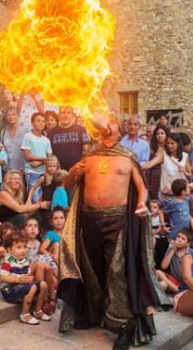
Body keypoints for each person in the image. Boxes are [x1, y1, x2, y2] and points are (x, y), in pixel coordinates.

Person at [59, 115, 165, 349]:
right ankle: (92, 315)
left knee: (117, 271)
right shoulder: (89, 155)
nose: (107, 123)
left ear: (119, 130)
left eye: (112, 121)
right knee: (90, 268)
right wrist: (72, 173)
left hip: (117, 220)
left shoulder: (128, 157)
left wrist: (141, 203)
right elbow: (66, 185)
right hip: (88, 218)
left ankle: (123, 326)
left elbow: (142, 189)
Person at [0, 229, 50, 324]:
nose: (23, 250)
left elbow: (27, 273)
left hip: (21, 287)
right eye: (19, 247)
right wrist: (18, 280)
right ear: (9, 249)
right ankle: (25, 314)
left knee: (43, 284)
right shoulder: (8, 261)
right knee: (32, 287)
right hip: (9, 291)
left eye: (25, 247)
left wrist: (29, 277)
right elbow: (2, 277)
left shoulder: (25, 259)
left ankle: (38, 310)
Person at [0, 170, 47, 253]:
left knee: (35, 216)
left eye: (19, 179)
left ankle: (34, 248)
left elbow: (25, 212)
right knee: (19, 219)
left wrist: (32, 190)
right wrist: (39, 205)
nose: (17, 180)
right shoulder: (2, 194)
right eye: (14, 178)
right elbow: (20, 209)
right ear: (7, 182)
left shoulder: (19, 197)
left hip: (12, 225)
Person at [46, 106, 90, 172]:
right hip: (57, 174)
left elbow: (87, 151)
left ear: (72, 115)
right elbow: (49, 155)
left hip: (77, 173)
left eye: (68, 113)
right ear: (59, 114)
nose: (65, 115)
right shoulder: (51, 133)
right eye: (63, 112)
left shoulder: (81, 130)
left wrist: (80, 165)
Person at [22, 112, 53, 202]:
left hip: (45, 173)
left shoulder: (46, 140)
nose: (41, 123)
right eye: (38, 121)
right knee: (34, 199)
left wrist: (39, 163)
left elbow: (50, 157)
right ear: (32, 123)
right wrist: (44, 160)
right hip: (32, 173)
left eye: (43, 121)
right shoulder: (28, 136)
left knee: (44, 199)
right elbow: (27, 156)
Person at [156, 227, 193, 294]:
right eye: (178, 237)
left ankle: (179, 290)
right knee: (159, 274)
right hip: (172, 280)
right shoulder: (171, 248)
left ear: (188, 243)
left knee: (163, 284)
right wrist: (173, 249)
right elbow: (163, 266)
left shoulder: (191, 253)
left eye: (183, 239)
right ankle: (177, 290)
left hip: (184, 283)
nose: (179, 240)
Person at [143, 124, 169, 201]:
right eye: (157, 134)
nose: (159, 136)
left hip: (161, 179)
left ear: (166, 135)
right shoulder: (151, 147)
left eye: (162, 133)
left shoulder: (169, 148)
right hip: (149, 178)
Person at [1, 107, 26, 173]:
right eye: (9, 115)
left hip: (22, 169)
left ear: (18, 116)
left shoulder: (26, 131)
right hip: (7, 169)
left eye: (14, 114)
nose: (11, 117)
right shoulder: (3, 132)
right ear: (6, 117)